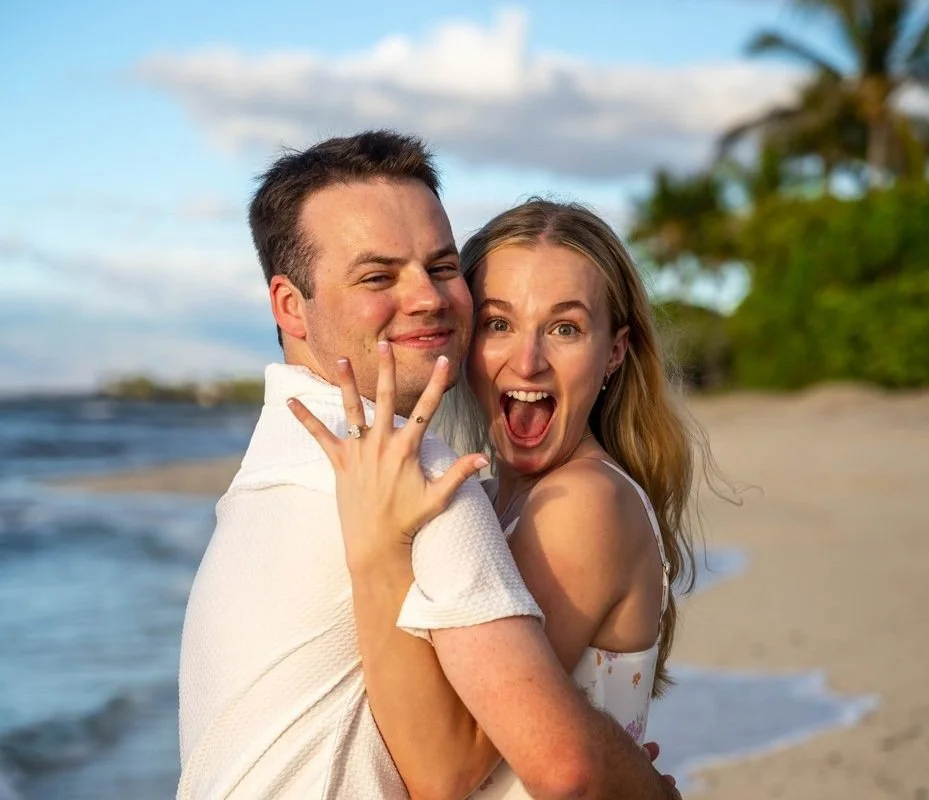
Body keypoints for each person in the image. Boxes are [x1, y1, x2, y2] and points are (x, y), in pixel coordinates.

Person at [177, 130, 682, 799]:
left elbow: (504, 766)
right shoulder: (404, 474)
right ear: (289, 306)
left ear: (614, 351)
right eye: (499, 322)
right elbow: (516, 763)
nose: (427, 298)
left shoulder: (309, 467)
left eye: (441, 269)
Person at [291, 198, 701, 797]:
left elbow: (446, 772)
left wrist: (373, 548)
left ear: (614, 351)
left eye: (565, 328)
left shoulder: (583, 503)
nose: (528, 361)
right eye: (499, 324)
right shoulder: (498, 500)